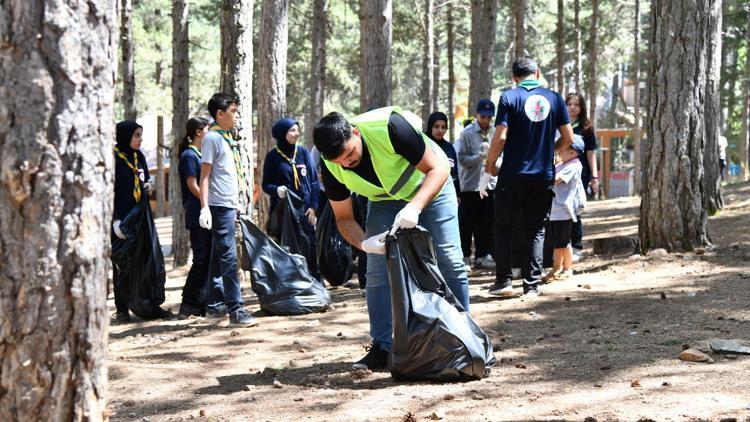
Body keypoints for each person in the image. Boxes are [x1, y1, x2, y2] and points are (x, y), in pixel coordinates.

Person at [313, 107, 469, 370]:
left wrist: (414, 207)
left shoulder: (390, 128)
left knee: (449, 259)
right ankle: (382, 346)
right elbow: (344, 218)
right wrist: (364, 244)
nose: (347, 163)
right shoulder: (331, 165)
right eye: (339, 161)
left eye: (349, 153)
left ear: (355, 132)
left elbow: (439, 167)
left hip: (429, 184)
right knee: (376, 270)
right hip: (383, 199)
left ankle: (464, 338)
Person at [479, 56, 574, 299]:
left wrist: (489, 166)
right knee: (536, 230)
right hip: (542, 175)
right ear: (538, 72)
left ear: (514, 78)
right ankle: (531, 285)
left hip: (512, 174)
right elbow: (568, 139)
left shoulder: (509, 97)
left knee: (503, 227)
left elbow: (500, 138)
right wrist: (549, 152)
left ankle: (504, 282)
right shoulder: (554, 98)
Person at [198, 93, 258, 327]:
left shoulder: (226, 139)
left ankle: (214, 304)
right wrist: (205, 207)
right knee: (228, 257)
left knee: (218, 254)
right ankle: (236, 309)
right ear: (220, 114)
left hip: (228, 204)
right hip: (218, 205)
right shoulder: (212, 138)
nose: (237, 116)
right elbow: (205, 175)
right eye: (233, 111)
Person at [112, 120, 170, 322]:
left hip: (141, 217)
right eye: (136, 135)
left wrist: (149, 186)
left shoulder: (139, 157)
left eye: (140, 135)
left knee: (146, 259)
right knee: (123, 263)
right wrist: (115, 220)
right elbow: (108, 193)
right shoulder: (114, 159)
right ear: (125, 136)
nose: (139, 139)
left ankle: (147, 303)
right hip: (122, 220)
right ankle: (122, 309)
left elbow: (145, 180)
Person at [262, 117, 320, 279]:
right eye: (292, 130)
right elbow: (266, 184)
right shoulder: (273, 157)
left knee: (308, 244)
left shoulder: (303, 153)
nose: (297, 133)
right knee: (286, 246)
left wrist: (314, 207)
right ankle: (289, 282)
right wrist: (276, 190)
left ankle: (314, 280)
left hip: (305, 210)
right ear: (282, 134)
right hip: (283, 211)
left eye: (297, 129)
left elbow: (314, 182)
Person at [177, 116, 212, 317]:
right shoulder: (189, 156)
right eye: (208, 129)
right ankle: (188, 302)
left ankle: (201, 301)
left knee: (207, 258)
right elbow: (192, 185)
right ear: (199, 132)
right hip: (197, 212)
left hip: (205, 211)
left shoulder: (200, 154)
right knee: (200, 259)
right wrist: (206, 202)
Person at [457, 99, 497, 271]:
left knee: (487, 222)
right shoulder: (467, 133)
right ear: (477, 115)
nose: (486, 120)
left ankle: (482, 255)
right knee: (467, 223)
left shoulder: (496, 132)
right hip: (471, 185)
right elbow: (462, 159)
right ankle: (465, 256)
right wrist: (479, 158)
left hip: (490, 184)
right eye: (483, 116)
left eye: (489, 117)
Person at [542, 137, 586, 282]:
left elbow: (556, 179)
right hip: (556, 209)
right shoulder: (565, 163)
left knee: (565, 242)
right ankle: (556, 267)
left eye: (563, 149)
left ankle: (567, 268)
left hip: (564, 209)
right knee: (557, 242)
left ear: (573, 153)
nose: (560, 151)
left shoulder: (573, 166)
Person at [565, 93, 599, 261]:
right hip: (561, 172)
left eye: (576, 104)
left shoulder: (586, 127)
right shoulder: (559, 124)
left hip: (581, 174)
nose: (572, 107)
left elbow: (591, 154)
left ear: (581, 107)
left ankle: (576, 247)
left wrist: (594, 177)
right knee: (561, 209)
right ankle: (561, 246)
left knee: (575, 209)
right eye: (569, 103)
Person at [425, 112, 460, 196]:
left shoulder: (449, 148)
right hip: (423, 192)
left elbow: (454, 174)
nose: (440, 130)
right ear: (430, 127)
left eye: (443, 127)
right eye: (436, 126)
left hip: (445, 194)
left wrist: (457, 194)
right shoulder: (423, 144)